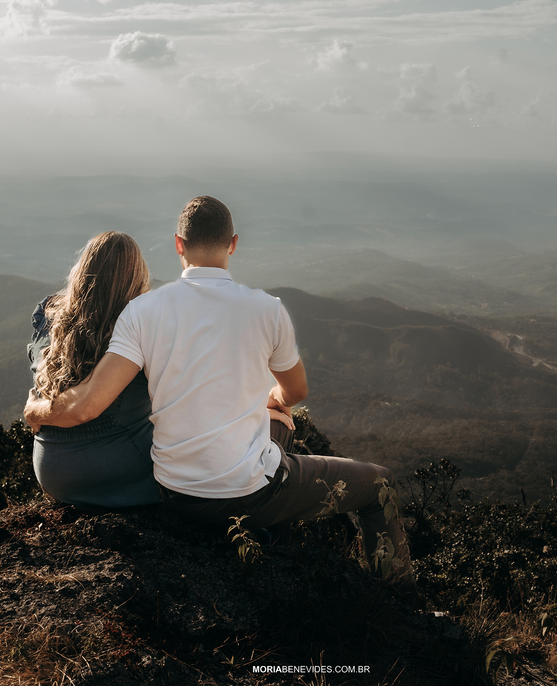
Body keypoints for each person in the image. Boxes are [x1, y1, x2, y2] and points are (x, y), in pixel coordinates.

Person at [24, 197, 416, 597]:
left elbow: (91, 399)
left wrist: (35, 410)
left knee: (272, 423)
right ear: (233, 243)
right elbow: (296, 392)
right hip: (240, 491)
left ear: (179, 245)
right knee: (376, 483)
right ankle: (400, 604)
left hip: (172, 490)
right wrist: (272, 399)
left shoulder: (141, 312)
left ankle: (264, 544)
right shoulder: (268, 309)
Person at [27, 231, 160, 510]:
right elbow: (84, 408)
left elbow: (38, 373)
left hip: (52, 469)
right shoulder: (140, 331)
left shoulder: (50, 319)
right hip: (118, 468)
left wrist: (35, 409)